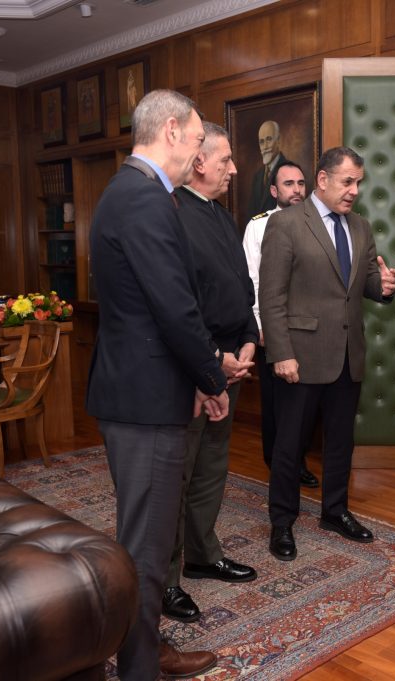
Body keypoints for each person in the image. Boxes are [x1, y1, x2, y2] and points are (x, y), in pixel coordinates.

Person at [86, 89, 227, 681]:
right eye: (196, 140)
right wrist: (212, 378)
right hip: (144, 402)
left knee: (143, 537)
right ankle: (139, 667)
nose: (199, 153)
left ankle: (144, 644)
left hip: (137, 390)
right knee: (146, 547)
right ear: (170, 131)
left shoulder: (128, 191)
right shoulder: (144, 198)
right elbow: (174, 308)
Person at [259, 146, 395, 561]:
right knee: (290, 445)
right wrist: (281, 352)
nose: (354, 190)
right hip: (300, 357)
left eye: (359, 183)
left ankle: (335, 512)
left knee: (340, 442)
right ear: (322, 180)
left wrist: (384, 287)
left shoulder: (361, 226)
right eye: (347, 181)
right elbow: (271, 295)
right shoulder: (286, 223)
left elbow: (365, 283)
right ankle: (282, 521)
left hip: (347, 355)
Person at [162, 122, 259, 624]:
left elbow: (243, 290)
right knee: (177, 474)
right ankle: (166, 580)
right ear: (199, 161)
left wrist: (248, 342)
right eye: (226, 160)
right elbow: (179, 302)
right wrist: (214, 356)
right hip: (195, 367)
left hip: (231, 364)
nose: (234, 169)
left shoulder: (222, 216)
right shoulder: (173, 214)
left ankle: (202, 554)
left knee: (212, 466)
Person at [241, 161, 320, 489]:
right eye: (289, 184)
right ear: (274, 190)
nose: (297, 190)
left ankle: (297, 461)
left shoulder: (317, 224)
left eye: (301, 183)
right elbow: (252, 280)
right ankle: (277, 465)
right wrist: (260, 326)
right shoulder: (259, 226)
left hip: (309, 332)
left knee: (306, 403)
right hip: (273, 330)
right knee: (276, 404)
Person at [247, 120, 288, 221]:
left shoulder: (288, 171)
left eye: (269, 139)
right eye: (261, 142)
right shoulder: (258, 176)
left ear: (278, 140)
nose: (265, 147)